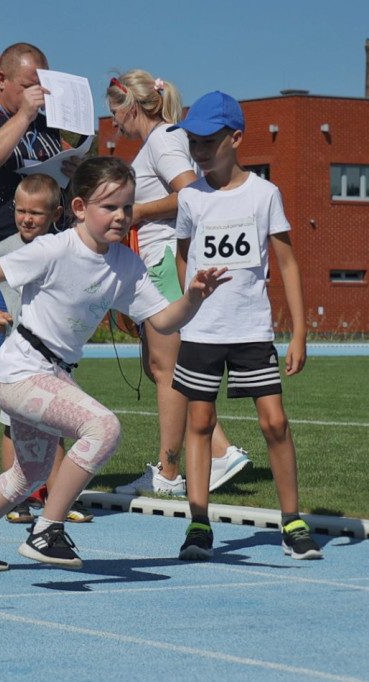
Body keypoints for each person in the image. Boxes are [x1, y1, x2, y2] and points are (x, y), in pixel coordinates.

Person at [0, 156, 230, 571]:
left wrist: (193, 298)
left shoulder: (126, 264)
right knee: (104, 426)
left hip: (50, 374)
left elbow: (164, 320)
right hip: (21, 371)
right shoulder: (55, 248)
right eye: (109, 207)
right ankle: (47, 531)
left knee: (29, 474)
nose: (121, 216)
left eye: (127, 207)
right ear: (79, 208)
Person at [169, 91, 322, 561]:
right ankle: (198, 525)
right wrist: (192, 298)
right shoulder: (190, 197)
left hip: (252, 331)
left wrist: (297, 332)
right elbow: (181, 254)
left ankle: (292, 521)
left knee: (274, 422)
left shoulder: (264, 194)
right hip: (202, 332)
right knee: (199, 420)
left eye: (208, 142)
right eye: (192, 141)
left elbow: (288, 264)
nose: (198, 151)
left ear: (236, 139)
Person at [105, 70, 251, 498]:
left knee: (167, 369)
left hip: (166, 259)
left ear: (131, 105)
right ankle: (212, 454)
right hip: (162, 260)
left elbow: (189, 192)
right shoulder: (167, 139)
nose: (113, 123)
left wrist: (136, 211)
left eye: (115, 112)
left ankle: (177, 472)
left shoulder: (162, 140)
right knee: (161, 367)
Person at [0, 42, 78, 511]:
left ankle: (37, 476)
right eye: (28, 86)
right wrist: (21, 116)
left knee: (45, 367)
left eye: (41, 87)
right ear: (2, 80)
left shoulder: (44, 126)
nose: (36, 95)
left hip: (40, 256)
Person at [0, 174, 91, 524]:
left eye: (36, 213)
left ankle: (59, 498)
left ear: (55, 214)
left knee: (58, 424)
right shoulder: (6, 249)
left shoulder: (66, 244)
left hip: (56, 356)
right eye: (20, 211)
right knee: (13, 426)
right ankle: (14, 499)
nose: (26, 219)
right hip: (20, 357)